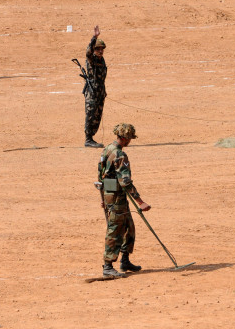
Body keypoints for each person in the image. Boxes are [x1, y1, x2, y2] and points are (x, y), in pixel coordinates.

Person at [97, 123, 151, 278]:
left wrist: (104, 197)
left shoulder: (107, 149)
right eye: (129, 138)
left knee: (129, 227)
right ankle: (108, 266)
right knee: (115, 230)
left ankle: (125, 260)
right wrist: (140, 202)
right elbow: (125, 181)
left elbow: (100, 176)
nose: (130, 141)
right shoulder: (120, 155)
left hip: (111, 195)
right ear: (124, 138)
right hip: (116, 198)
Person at [84, 25, 107, 147]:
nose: (100, 51)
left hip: (100, 92)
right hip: (92, 92)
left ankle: (91, 138)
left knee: (97, 115)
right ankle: (88, 139)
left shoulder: (101, 60)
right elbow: (88, 51)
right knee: (90, 114)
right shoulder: (91, 59)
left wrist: (104, 92)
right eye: (98, 49)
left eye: (102, 49)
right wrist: (94, 37)